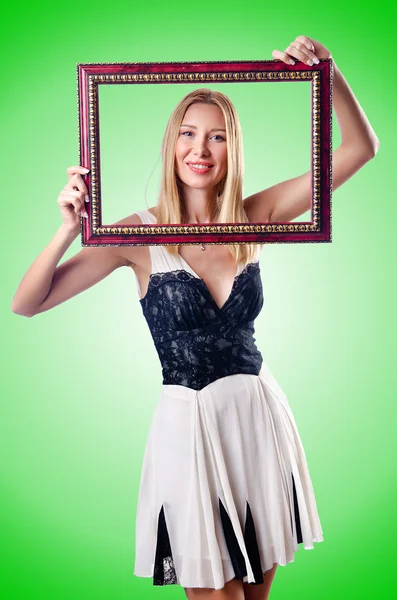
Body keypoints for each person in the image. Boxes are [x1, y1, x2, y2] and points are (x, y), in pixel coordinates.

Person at [11, 35, 379, 600]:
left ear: (232, 149)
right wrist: (67, 227)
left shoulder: (258, 215)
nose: (199, 149)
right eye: (187, 134)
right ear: (171, 145)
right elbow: (27, 302)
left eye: (216, 136)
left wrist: (328, 74)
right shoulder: (133, 236)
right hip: (189, 431)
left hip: (257, 420)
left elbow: (359, 150)